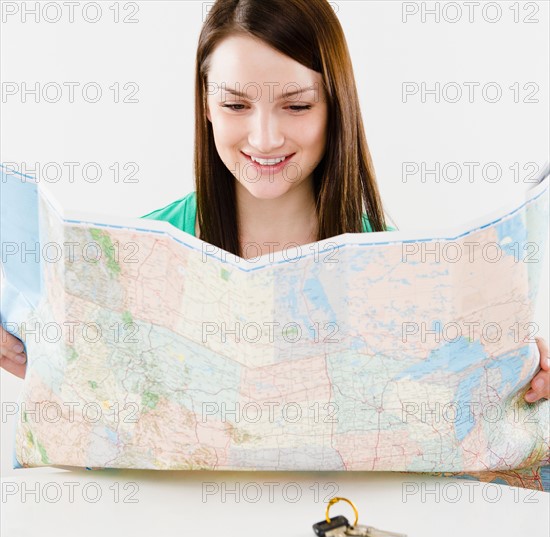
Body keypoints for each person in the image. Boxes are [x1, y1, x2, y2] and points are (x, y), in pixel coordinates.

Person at [1, 0, 548, 404]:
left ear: (335, 107)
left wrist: (520, 374)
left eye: (296, 105)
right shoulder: (128, 255)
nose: (264, 139)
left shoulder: (401, 268)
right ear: (207, 106)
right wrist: (39, 351)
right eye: (236, 104)